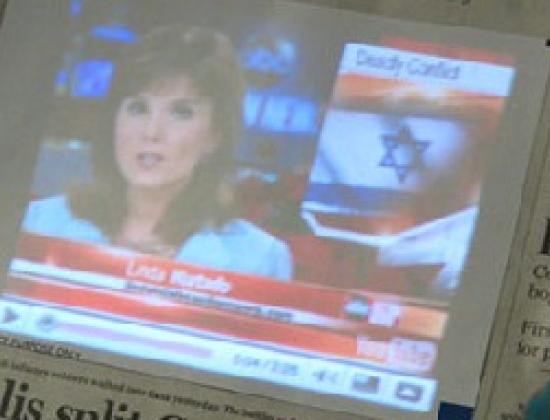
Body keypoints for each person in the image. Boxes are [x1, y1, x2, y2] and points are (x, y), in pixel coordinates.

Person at [22, 25, 293, 281]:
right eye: (138, 108)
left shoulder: (260, 260)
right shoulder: (38, 222)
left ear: (215, 137)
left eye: (181, 112)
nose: (152, 132)